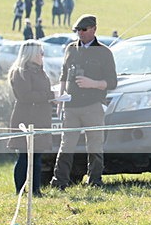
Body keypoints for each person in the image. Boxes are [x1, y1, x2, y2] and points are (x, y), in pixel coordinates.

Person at [50, 14, 118, 189]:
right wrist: (61, 96)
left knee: (95, 145)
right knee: (66, 145)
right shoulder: (71, 49)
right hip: (71, 106)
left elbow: (112, 82)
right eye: (77, 30)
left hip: (93, 106)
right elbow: (64, 75)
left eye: (83, 29)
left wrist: (92, 84)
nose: (80, 33)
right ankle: (59, 182)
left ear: (94, 29)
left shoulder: (104, 52)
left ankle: (95, 181)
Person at [7, 41, 53, 196]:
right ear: (32, 54)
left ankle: (35, 189)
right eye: (41, 52)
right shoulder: (20, 72)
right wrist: (49, 96)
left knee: (37, 157)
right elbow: (25, 96)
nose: (42, 56)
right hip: (26, 119)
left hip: (40, 118)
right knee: (25, 157)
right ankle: (20, 190)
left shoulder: (40, 71)